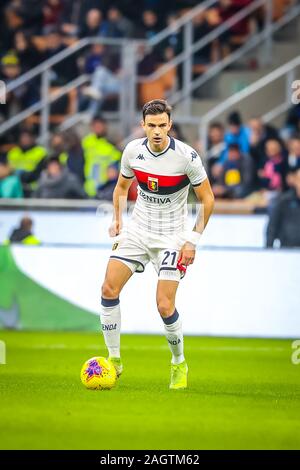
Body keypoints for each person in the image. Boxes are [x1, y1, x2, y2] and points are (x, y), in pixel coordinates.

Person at [99, 99, 214, 389]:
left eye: (162, 125)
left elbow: (208, 199)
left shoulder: (186, 157)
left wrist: (193, 240)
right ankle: (114, 360)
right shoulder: (132, 151)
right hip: (138, 231)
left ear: (170, 125)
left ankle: (178, 362)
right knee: (108, 288)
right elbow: (121, 188)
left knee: (164, 305)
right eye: (152, 126)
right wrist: (118, 221)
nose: (157, 131)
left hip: (172, 238)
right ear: (143, 126)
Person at [266, 168, 300, 248]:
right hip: (287, 250)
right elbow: (272, 227)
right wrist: (268, 250)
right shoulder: (283, 201)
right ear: (295, 181)